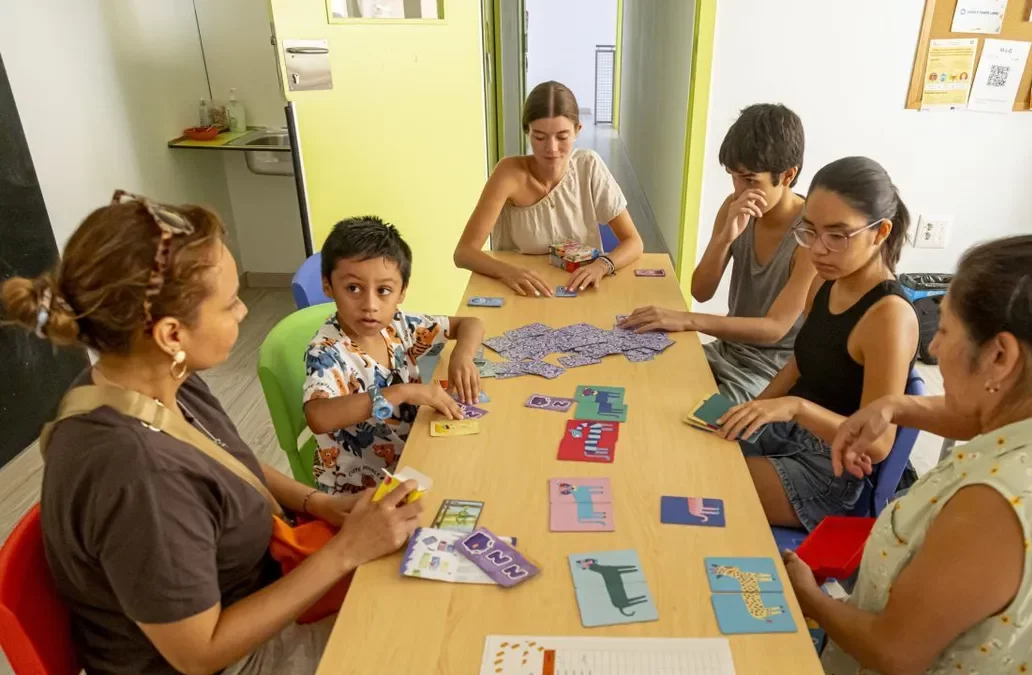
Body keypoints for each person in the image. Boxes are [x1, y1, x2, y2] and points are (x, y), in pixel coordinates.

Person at [0, 192, 425, 675]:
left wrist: (316, 503)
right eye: (229, 305)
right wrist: (345, 551)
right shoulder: (138, 475)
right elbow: (200, 653)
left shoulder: (152, 379)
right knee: (418, 637)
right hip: (234, 657)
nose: (244, 312)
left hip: (259, 589)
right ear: (170, 335)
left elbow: (227, 458)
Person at [786, 235, 1032, 674]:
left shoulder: (997, 503)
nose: (934, 349)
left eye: (942, 331)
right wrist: (896, 405)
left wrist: (807, 595)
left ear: (1000, 355)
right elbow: (983, 417)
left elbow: (894, 654)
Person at [714, 157, 918, 529]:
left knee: (708, 482)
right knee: (689, 447)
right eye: (809, 231)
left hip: (832, 469)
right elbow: (800, 363)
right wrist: (754, 413)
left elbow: (878, 444)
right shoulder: (826, 280)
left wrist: (796, 408)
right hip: (789, 433)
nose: (818, 250)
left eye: (838, 235)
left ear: (880, 232)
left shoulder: (889, 317)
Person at [619, 104, 816, 403]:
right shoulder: (733, 207)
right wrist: (724, 239)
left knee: (698, 425)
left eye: (751, 180)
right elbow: (701, 290)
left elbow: (774, 329)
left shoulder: (810, 236)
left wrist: (687, 320)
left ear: (788, 175)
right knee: (643, 382)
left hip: (771, 373)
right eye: (734, 176)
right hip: (727, 350)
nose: (739, 189)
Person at [303, 216, 484, 495]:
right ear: (328, 286)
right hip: (358, 493)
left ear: (401, 292)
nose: (370, 305)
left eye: (383, 290)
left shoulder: (399, 323)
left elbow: (471, 324)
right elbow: (318, 416)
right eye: (353, 288)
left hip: (413, 455)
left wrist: (462, 355)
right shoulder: (327, 351)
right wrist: (400, 393)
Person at [453, 80, 644, 296]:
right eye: (540, 137)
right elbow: (464, 253)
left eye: (562, 137)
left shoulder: (588, 165)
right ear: (527, 132)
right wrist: (508, 272)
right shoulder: (508, 173)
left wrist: (602, 265)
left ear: (577, 130)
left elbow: (633, 242)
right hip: (522, 292)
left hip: (580, 289)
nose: (551, 148)